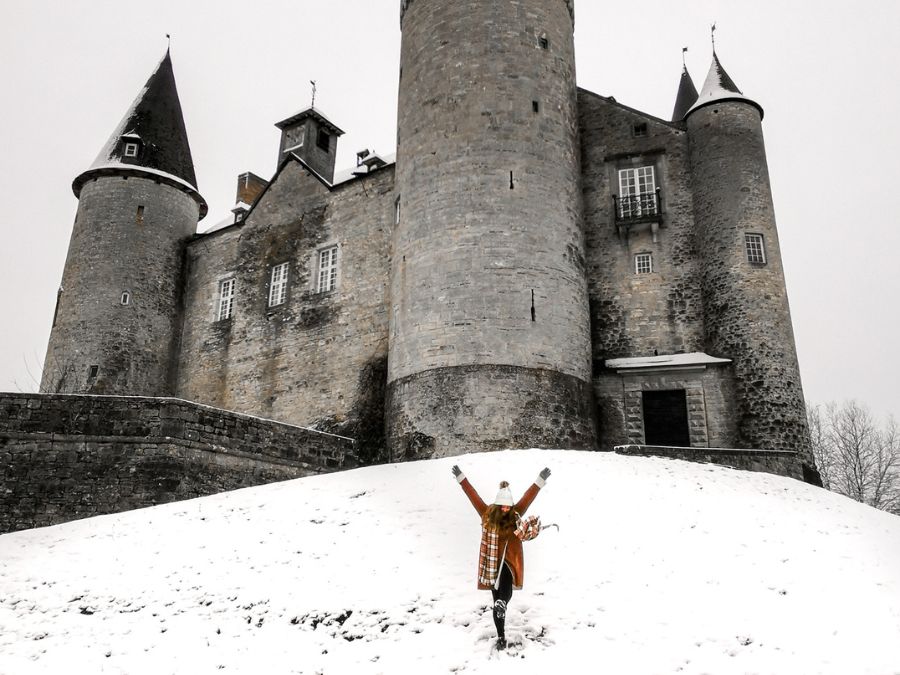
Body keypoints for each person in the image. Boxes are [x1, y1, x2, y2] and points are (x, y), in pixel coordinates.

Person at [451, 464, 551, 650]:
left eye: (508, 505)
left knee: (505, 588)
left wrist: (540, 480)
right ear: (497, 505)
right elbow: (473, 496)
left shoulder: (515, 514)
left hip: (510, 561)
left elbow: (527, 498)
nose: (506, 508)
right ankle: (501, 635)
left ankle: (502, 603)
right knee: (496, 598)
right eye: (503, 506)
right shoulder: (487, 513)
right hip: (491, 562)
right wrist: (461, 478)